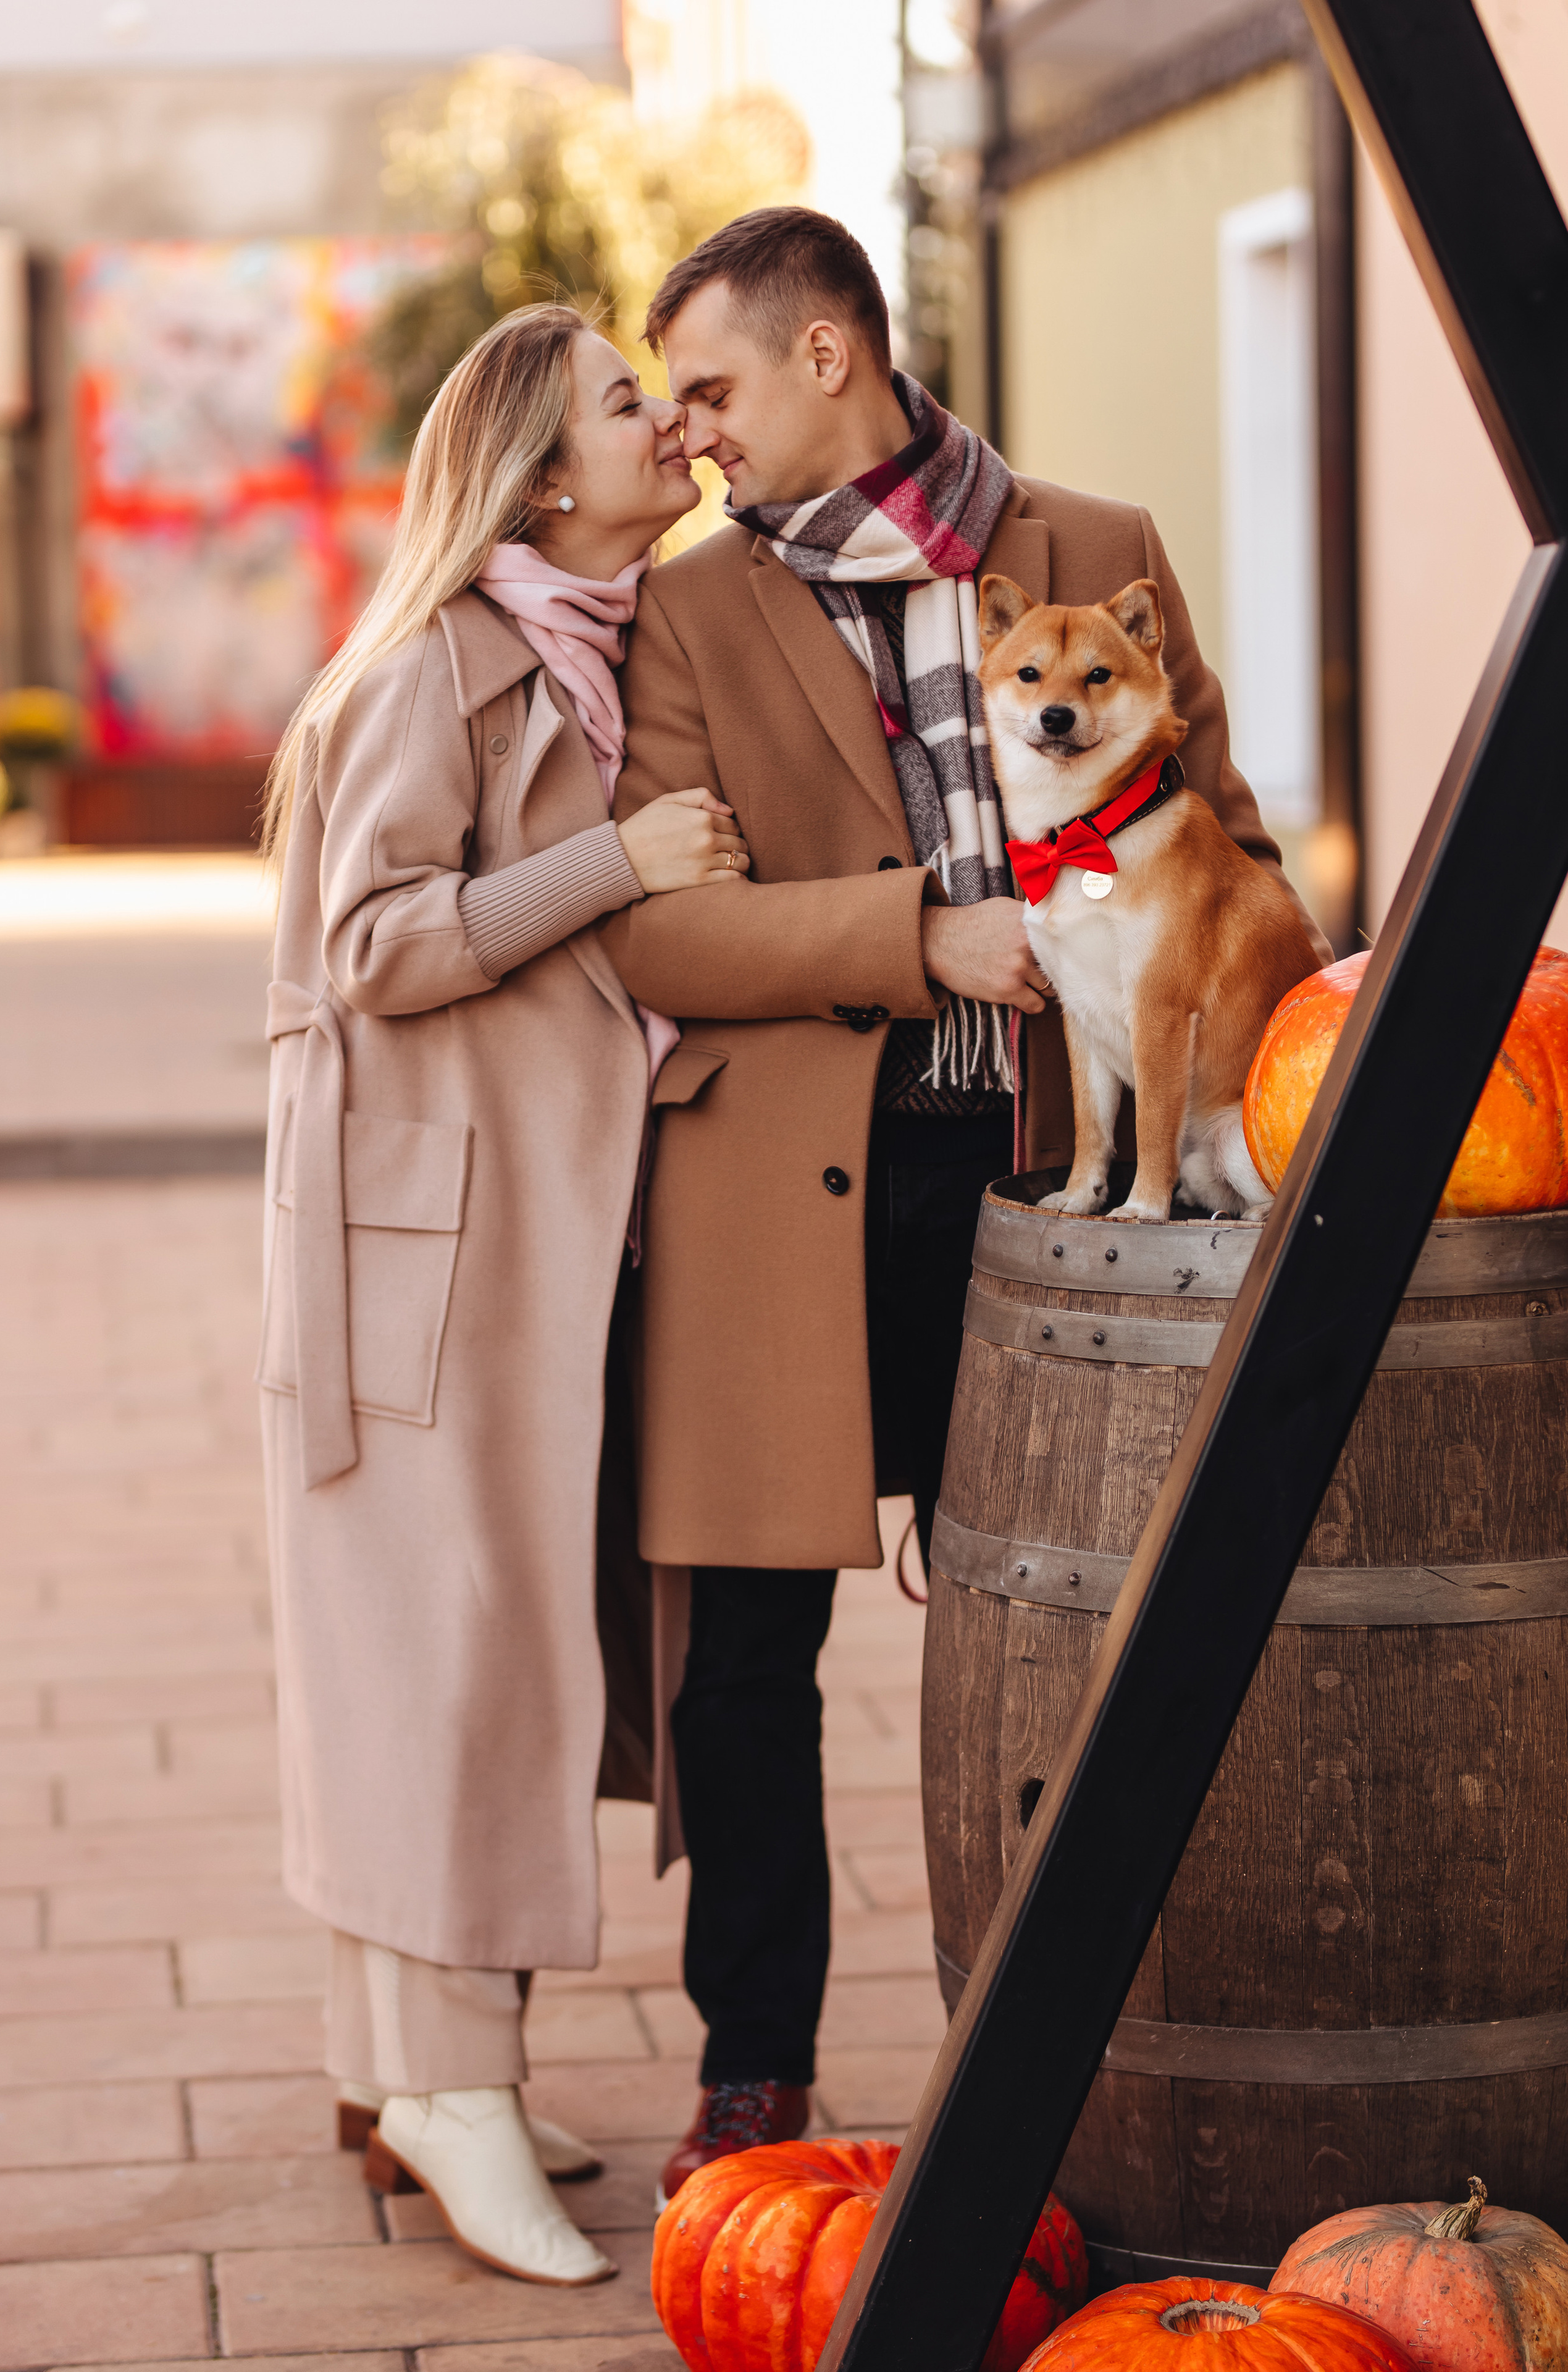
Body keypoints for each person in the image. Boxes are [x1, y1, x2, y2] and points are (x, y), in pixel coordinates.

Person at [599, 207, 1331, 2200]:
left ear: (831, 356)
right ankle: (755, 2068)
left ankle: (1064, 2063)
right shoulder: (694, 611)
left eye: (719, 390)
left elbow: (1230, 844)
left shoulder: (1097, 546)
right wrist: (933, 939)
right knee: (741, 1659)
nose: (698, 440)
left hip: (1054, 1179)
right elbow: (668, 930)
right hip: (787, 1189)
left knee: (1067, 1631)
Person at [257, 302, 748, 2284]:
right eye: (637, 403)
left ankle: (407, 2071)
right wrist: (615, 864)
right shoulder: (439, 662)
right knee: (448, 1661)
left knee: (464, 1653)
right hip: (421, 1244)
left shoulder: (592, 649)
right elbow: (378, 942)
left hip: (511, 1228)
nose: (672, 423)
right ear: (546, 469)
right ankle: (449, 2097)